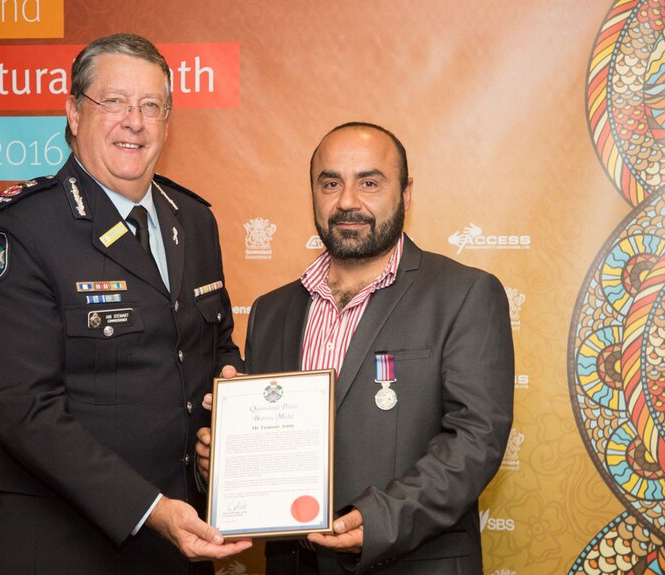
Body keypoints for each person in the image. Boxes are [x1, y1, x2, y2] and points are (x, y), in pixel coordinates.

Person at [0, 33, 251, 574]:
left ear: (168, 118)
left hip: (180, 542)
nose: (134, 121)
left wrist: (234, 397)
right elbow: (25, 410)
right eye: (113, 102)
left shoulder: (193, 219)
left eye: (151, 106)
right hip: (62, 547)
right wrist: (151, 510)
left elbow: (214, 346)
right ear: (74, 113)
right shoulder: (19, 230)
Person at [197, 122, 514, 574]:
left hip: (413, 562)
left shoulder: (464, 295)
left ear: (405, 194)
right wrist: (225, 462)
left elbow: (476, 439)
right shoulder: (271, 311)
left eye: (369, 182)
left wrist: (382, 519)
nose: (347, 201)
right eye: (331, 183)